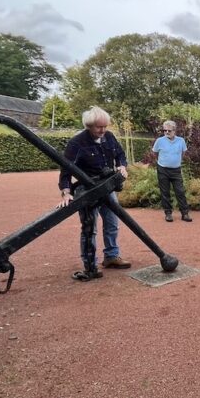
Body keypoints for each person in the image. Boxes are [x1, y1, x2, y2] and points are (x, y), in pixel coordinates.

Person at [58, 106, 131, 280]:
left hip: (107, 187)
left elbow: (120, 154)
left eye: (105, 126)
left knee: (112, 223)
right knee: (90, 228)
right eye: (99, 127)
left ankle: (111, 256)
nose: (103, 130)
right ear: (89, 125)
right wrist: (66, 193)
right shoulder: (77, 143)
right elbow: (66, 170)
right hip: (88, 191)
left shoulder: (109, 137)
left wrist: (122, 165)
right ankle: (90, 263)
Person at [151, 120, 192, 223]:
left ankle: (185, 213)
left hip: (176, 170)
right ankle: (168, 214)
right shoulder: (159, 141)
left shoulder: (181, 141)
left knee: (180, 191)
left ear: (175, 130)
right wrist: (163, 161)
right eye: (165, 130)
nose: (166, 132)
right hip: (163, 169)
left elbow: (183, 153)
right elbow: (155, 153)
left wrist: (175, 161)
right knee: (165, 192)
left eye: (169, 130)